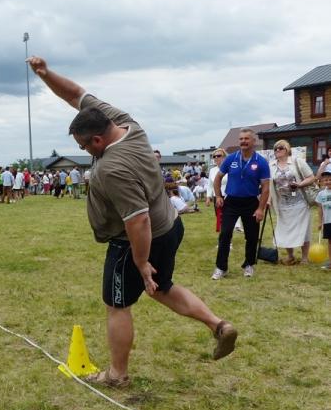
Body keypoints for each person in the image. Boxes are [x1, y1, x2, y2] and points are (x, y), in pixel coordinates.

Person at [28, 56, 238, 387]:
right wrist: (45, 74)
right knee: (162, 288)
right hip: (170, 226)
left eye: (84, 146)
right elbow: (76, 95)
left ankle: (117, 374)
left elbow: (137, 220)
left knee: (117, 304)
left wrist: (141, 263)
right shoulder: (127, 124)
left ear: (97, 140)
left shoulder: (113, 167)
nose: (84, 150)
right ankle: (218, 325)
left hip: (135, 241)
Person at [212, 128, 270, 280]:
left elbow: (265, 188)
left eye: (246, 139)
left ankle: (249, 264)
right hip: (231, 202)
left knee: (251, 236)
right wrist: (218, 196)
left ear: (253, 141)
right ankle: (221, 268)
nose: (243, 141)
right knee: (225, 234)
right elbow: (217, 178)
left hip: (251, 202)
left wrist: (260, 208)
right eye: (241, 139)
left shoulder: (261, 162)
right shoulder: (230, 159)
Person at [269, 140, 315, 265]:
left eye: (280, 148)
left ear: (287, 149)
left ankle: (305, 257)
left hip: (300, 202)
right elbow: (269, 185)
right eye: (275, 148)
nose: (277, 150)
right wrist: (268, 201)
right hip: (282, 204)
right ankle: (290, 256)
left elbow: (311, 177)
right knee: (285, 231)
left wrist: (300, 184)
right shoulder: (271, 165)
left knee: (303, 230)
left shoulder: (297, 161)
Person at [316, 171, 331, 270]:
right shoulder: (321, 194)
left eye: (330, 180)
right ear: (321, 182)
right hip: (328, 221)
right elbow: (320, 209)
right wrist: (320, 222)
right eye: (326, 180)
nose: (328, 182)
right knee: (330, 242)